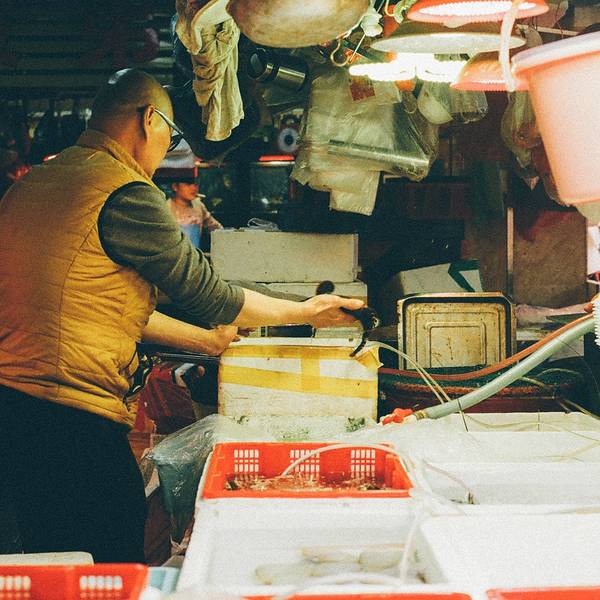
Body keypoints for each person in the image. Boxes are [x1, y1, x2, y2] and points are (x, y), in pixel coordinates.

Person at [0, 69, 362, 563]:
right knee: (109, 553)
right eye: (171, 134)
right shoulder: (123, 191)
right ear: (149, 119)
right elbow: (209, 294)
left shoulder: (38, 183)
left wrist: (206, 343)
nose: (168, 147)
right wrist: (307, 311)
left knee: (55, 556)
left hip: (18, 409)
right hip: (70, 413)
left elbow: (97, 308)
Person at [167, 174, 222, 248]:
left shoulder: (198, 205)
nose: (194, 187)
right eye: (188, 184)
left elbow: (215, 227)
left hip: (195, 253)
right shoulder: (166, 208)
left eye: (196, 183)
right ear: (175, 187)